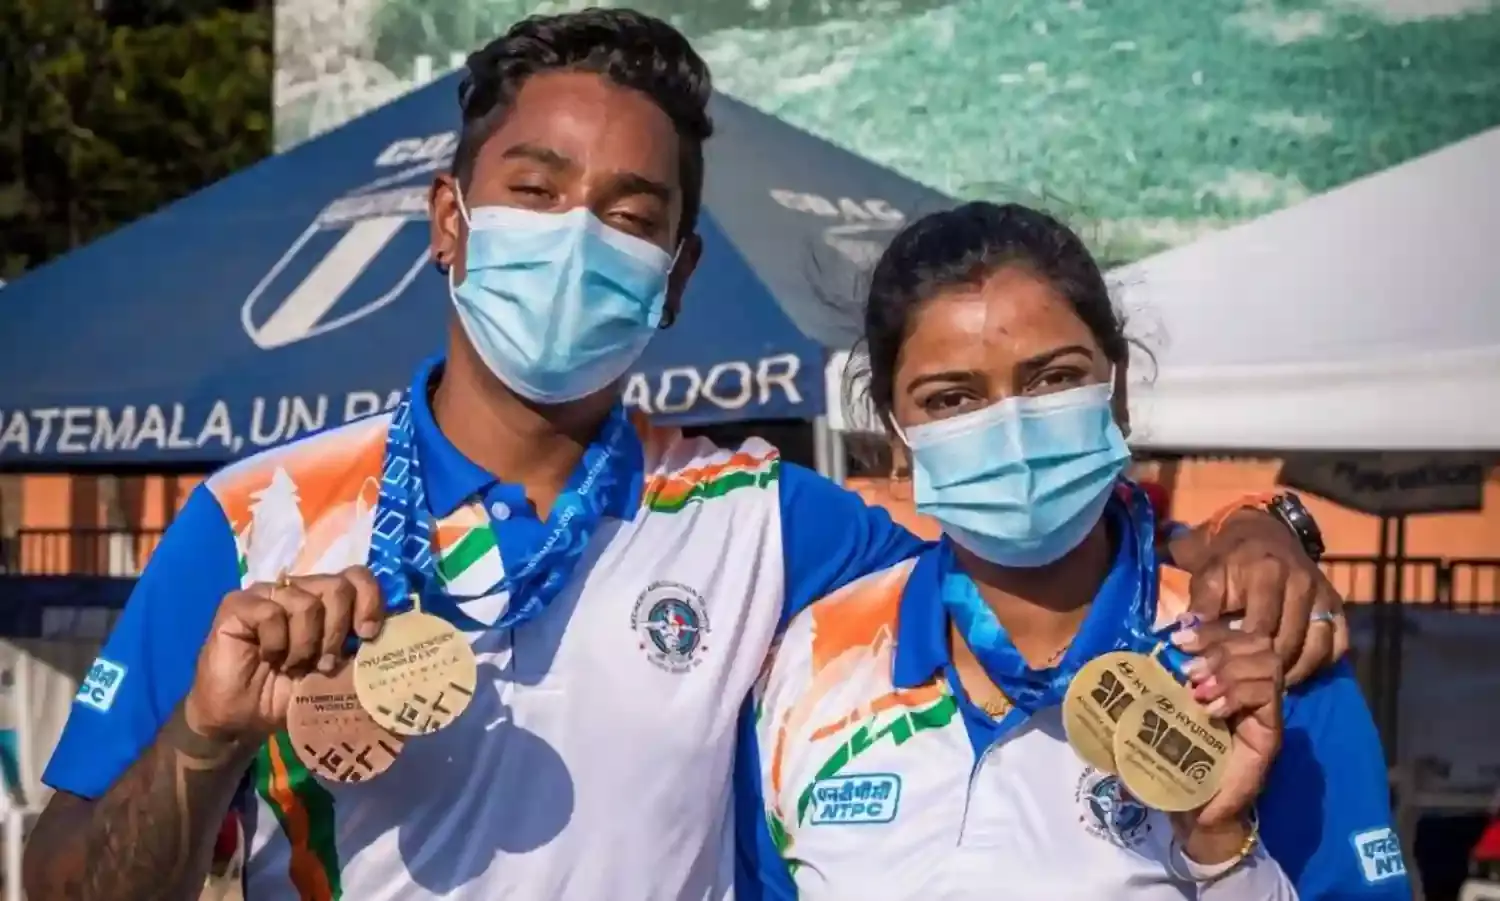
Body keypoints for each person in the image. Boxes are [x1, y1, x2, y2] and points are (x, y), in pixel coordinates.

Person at [23, 12, 1347, 901]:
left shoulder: (763, 517)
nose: (576, 235)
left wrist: (1259, 534)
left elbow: (1032, 544)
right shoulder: (256, 516)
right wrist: (203, 737)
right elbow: (61, 878)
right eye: (535, 190)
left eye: (629, 213)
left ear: (677, 272)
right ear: (449, 220)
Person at [735, 202, 1407, 900]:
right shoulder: (808, 668)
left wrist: (1219, 849)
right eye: (951, 399)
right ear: (894, 435)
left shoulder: (1258, 658)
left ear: (1118, 392)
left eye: (1053, 379)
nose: (1011, 427)